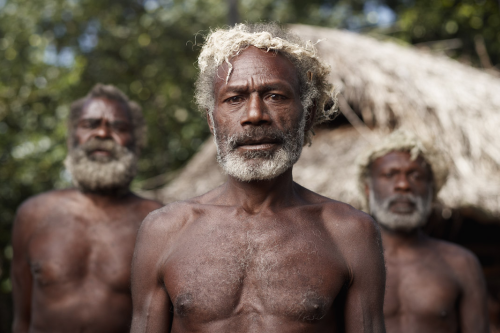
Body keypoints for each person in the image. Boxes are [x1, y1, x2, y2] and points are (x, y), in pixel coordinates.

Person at [131, 23, 386, 333]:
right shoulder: (164, 230)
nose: (255, 114)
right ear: (212, 121)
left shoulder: (349, 232)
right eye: (234, 98)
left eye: (275, 95)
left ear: (307, 114)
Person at [11, 84, 163, 333]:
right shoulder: (33, 215)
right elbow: (22, 320)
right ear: (73, 137)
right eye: (90, 124)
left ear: (136, 142)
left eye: (118, 127)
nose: (102, 133)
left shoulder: (157, 221)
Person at [357, 130, 490, 333]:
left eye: (416, 175)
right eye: (390, 174)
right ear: (368, 189)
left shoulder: (461, 263)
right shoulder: (348, 262)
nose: (403, 185)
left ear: (431, 189)